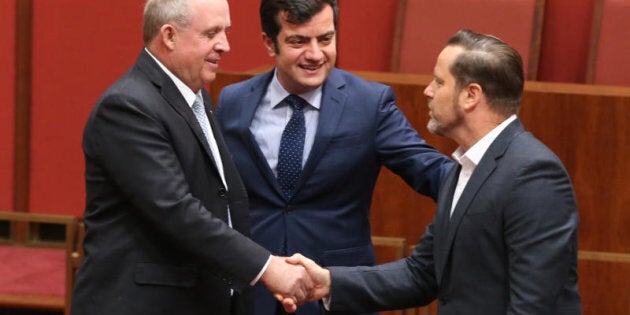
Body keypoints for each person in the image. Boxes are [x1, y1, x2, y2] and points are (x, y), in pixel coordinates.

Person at [284, 29, 582, 315]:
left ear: (471, 95)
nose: (428, 91)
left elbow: (534, 305)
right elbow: (422, 273)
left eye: (439, 82)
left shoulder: (533, 174)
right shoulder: (464, 170)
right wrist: (329, 282)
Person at [70, 0, 313, 314]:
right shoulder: (128, 106)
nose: (224, 45)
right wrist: (267, 268)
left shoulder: (195, 96)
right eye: (211, 33)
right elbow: (176, 210)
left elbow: (222, 199)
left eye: (225, 31)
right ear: (169, 36)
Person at [216, 0, 454, 314]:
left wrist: (497, 182)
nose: (315, 54)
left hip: (335, 294)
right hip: (253, 293)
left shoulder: (369, 104)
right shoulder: (232, 101)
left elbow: (432, 170)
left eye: (325, 39)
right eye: (298, 41)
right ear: (268, 43)